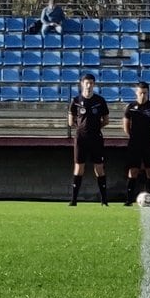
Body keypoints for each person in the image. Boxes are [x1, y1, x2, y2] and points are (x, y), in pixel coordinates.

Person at [66, 72, 110, 205]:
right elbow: (70, 121)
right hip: (81, 139)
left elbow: (106, 120)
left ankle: (104, 200)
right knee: (79, 167)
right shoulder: (76, 101)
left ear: (94, 84)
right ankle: (74, 200)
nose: (89, 86)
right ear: (82, 84)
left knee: (99, 167)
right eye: (87, 83)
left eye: (91, 83)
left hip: (96, 138)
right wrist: (81, 129)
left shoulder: (100, 101)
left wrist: (95, 128)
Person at [122, 80, 150, 202]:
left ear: (148, 93)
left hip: (149, 143)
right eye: (141, 93)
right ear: (136, 93)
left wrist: (149, 135)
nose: (143, 95)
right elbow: (126, 126)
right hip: (134, 143)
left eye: (145, 93)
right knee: (133, 170)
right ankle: (129, 199)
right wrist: (134, 136)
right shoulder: (131, 107)